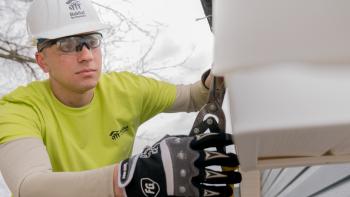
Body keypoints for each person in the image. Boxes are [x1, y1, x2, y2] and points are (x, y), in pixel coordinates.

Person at [0, 0, 241, 196]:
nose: (86, 55)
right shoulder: (18, 109)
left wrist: (228, 58)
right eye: (67, 44)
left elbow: (193, 96)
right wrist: (127, 178)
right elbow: (29, 186)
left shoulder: (125, 89)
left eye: (91, 41)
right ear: (42, 61)